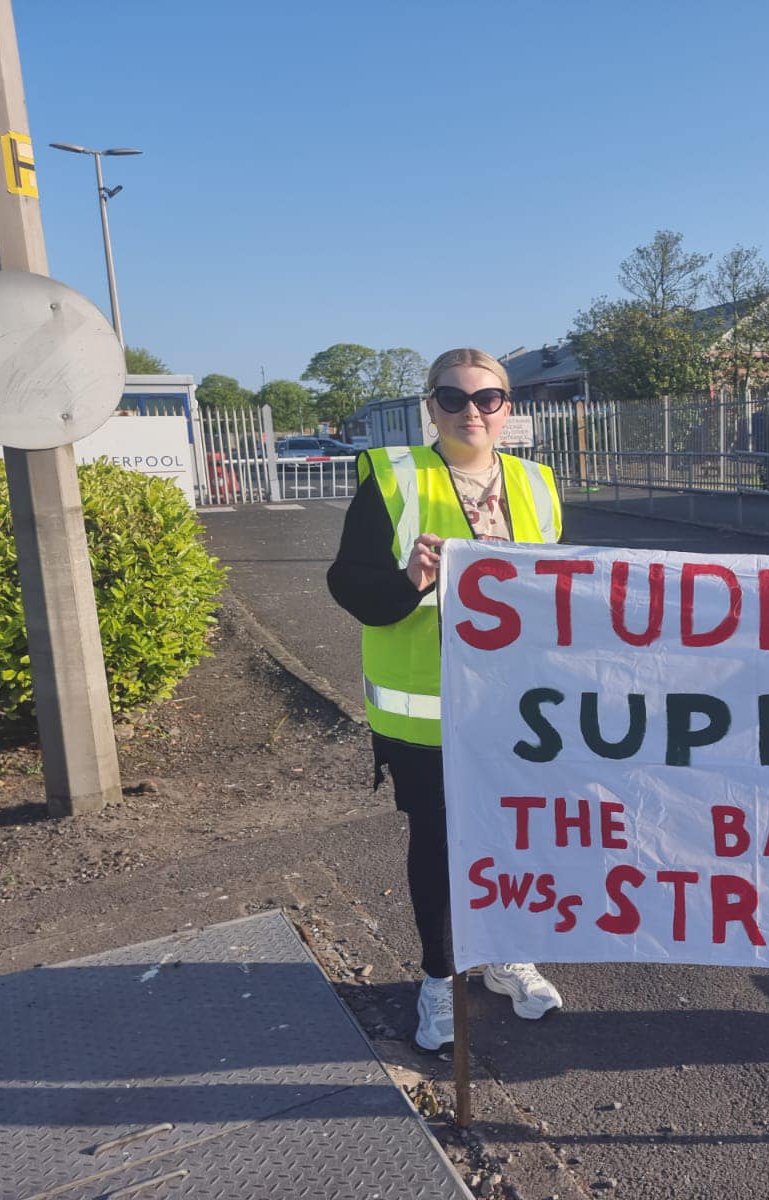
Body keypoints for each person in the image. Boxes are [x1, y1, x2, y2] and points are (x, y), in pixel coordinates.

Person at [328, 347, 565, 1051]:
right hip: (424, 712)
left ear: (508, 407)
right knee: (437, 844)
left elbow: (565, 593)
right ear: (431, 406)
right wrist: (409, 581)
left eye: (487, 398)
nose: (472, 412)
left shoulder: (538, 483)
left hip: (519, 711)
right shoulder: (392, 478)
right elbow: (350, 588)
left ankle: (504, 957)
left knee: (514, 836)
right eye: (454, 399)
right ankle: (438, 979)